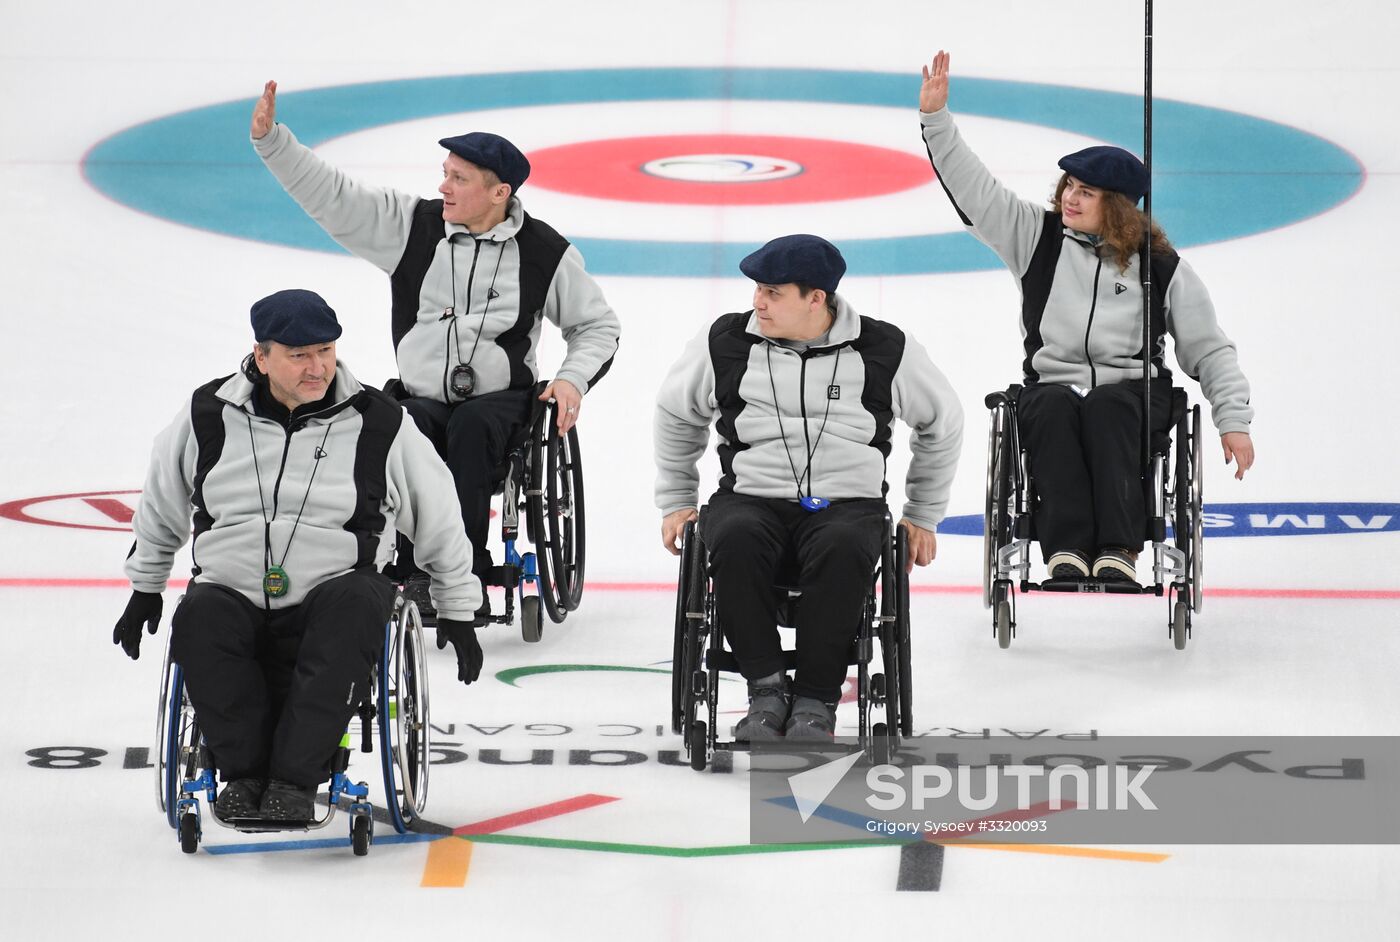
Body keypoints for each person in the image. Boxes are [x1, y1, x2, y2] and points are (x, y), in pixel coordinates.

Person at [250, 81, 621, 623]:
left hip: (501, 405)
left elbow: (597, 327)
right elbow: (333, 196)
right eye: (444, 173)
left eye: (458, 178)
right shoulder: (411, 228)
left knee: (470, 429)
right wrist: (273, 143)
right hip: (420, 396)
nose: (442, 185)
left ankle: (459, 571)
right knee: (401, 426)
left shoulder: (544, 253)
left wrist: (570, 380)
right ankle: (409, 565)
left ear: (500, 193)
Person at [113, 289, 482, 822]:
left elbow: (439, 517)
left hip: (337, 587)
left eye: (326, 351)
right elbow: (161, 503)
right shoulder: (207, 414)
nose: (319, 367)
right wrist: (146, 587)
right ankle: (242, 776)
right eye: (300, 355)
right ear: (262, 357)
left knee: (356, 606)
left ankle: (292, 780)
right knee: (199, 615)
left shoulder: (380, 421)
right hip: (232, 587)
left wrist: (458, 607)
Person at [918, 51, 1255, 582]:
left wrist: (1232, 421)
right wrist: (936, 122)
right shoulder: (1037, 238)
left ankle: (1118, 549)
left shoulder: (1160, 268)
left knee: (1108, 409)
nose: (1070, 198)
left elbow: (1209, 349)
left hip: (1133, 395)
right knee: (1051, 407)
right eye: (1069, 187)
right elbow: (975, 191)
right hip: (1052, 385)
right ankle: (1066, 550)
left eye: (1086, 192)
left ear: (1118, 206)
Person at [655, 235, 963, 740]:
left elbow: (943, 422)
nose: (758, 301)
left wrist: (922, 513)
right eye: (757, 288)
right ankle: (766, 691)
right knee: (731, 537)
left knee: (845, 545)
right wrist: (676, 500)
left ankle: (817, 699)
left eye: (774, 292)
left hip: (848, 504)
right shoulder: (726, 342)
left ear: (816, 297)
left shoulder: (884, 348)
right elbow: (675, 412)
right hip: (752, 497)